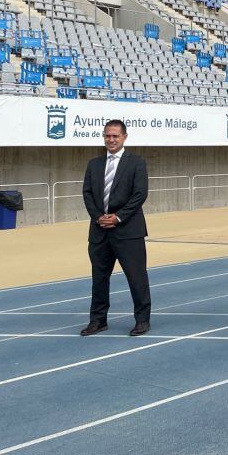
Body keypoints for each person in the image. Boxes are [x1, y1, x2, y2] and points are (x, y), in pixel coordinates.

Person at [80, 119, 151, 336]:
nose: (111, 140)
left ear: (124, 137)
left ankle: (142, 320)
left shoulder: (137, 163)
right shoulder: (94, 164)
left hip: (128, 231)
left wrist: (117, 218)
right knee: (99, 279)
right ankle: (98, 320)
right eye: (107, 136)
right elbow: (88, 194)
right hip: (100, 231)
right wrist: (99, 217)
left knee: (136, 277)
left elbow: (140, 194)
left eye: (115, 136)